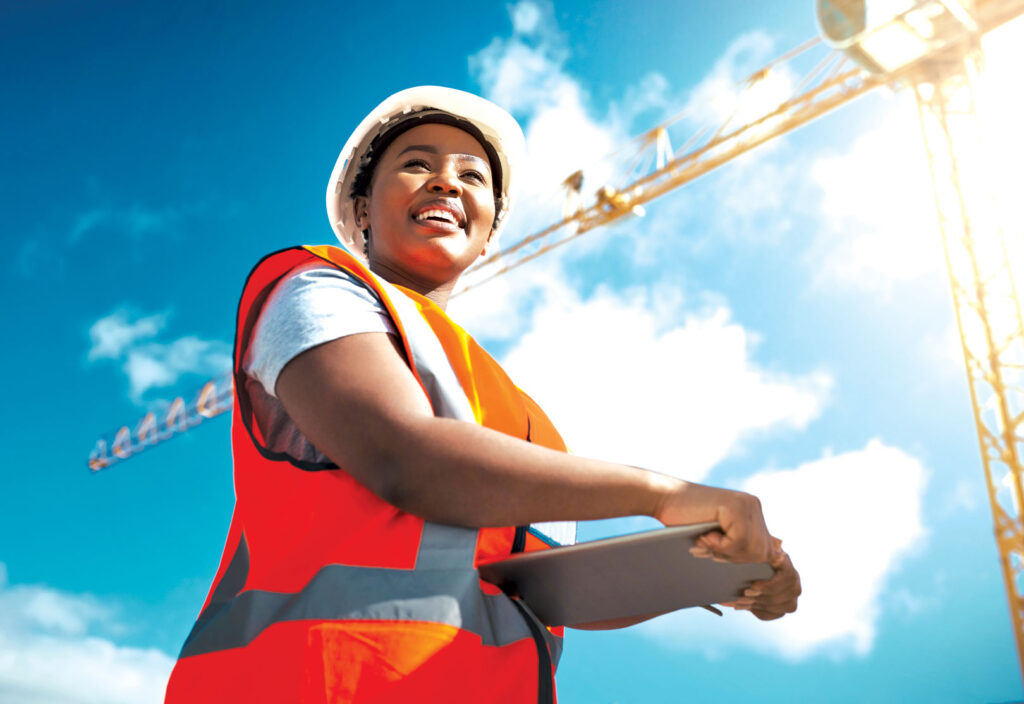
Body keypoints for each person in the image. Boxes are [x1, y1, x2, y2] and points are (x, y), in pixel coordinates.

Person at [164, 86, 800, 704]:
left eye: (473, 177)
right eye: (417, 165)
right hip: (318, 684)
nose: (447, 183)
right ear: (361, 210)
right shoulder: (315, 288)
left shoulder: (517, 416)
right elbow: (405, 459)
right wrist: (664, 495)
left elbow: (543, 591)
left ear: (491, 230)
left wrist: (723, 570)